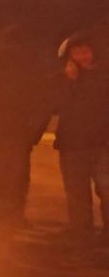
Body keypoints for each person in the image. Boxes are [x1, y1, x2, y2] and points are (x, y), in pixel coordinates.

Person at [52, 33, 109, 242]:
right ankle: (81, 231)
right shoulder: (64, 78)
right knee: (76, 192)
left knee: (106, 189)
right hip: (72, 145)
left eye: (85, 51)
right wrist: (69, 81)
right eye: (76, 52)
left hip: (101, 145)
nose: (81, 56)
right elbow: (56, 105)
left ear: (93, 52)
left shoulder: (104, 75)